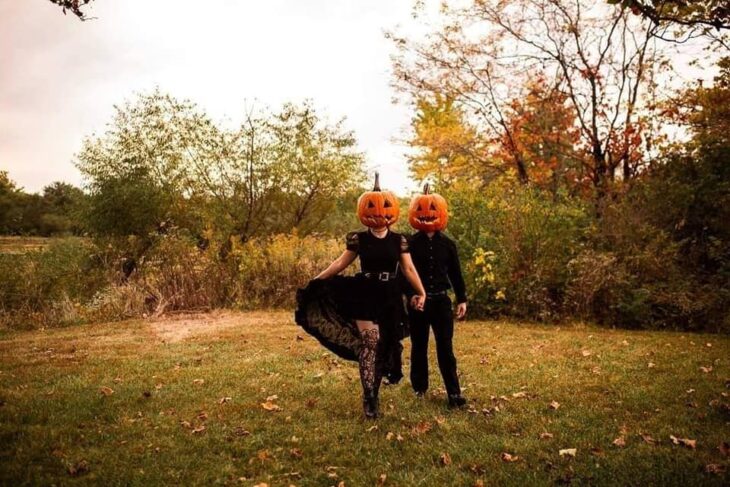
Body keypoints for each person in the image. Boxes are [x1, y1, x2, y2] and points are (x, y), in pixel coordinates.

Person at [295, 173, 426, 419]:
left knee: (384, 345)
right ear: (363, 211)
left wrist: (421, 291)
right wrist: (317, 279)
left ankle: (375, 388)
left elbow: (408, 269)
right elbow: (340, 264)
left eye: (385, 206)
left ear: (393, 211)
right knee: (370, 341)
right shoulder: (359, 239)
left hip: (389, 296)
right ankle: (370, 397)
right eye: (372, 207)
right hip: (364, 295)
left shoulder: (400, 241)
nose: (378, 213)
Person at [405, 184, 468, 408]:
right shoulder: (409, 244)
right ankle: (419, 389)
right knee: (418, 345)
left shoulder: (448, 245)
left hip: (441, 302)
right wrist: (411, 295)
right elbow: (405, 273)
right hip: (418, 303)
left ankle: (454, 393)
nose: (427, 213)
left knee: (445, 347)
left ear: (441, 212)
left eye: (432, 208)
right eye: (422, 208)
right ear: (414, 212)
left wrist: (462, 299)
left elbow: (456, 274)